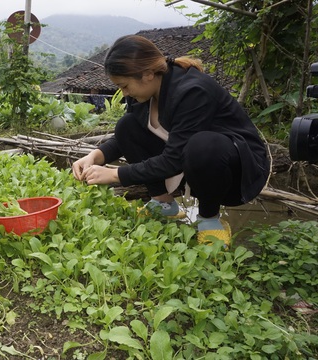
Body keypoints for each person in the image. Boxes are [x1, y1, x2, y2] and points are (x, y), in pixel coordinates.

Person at [71, 35, 270, 246]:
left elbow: (174, 159)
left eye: (125, 86)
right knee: (126, 125)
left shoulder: (192, 91)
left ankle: (209, 219)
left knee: (202, 146)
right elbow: (127, 136)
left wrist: (115, 174)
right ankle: (163, 203)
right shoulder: (143, 94)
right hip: (188, 161)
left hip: (235, 168)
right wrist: (96, 156)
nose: (124, 92)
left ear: (147, 74)